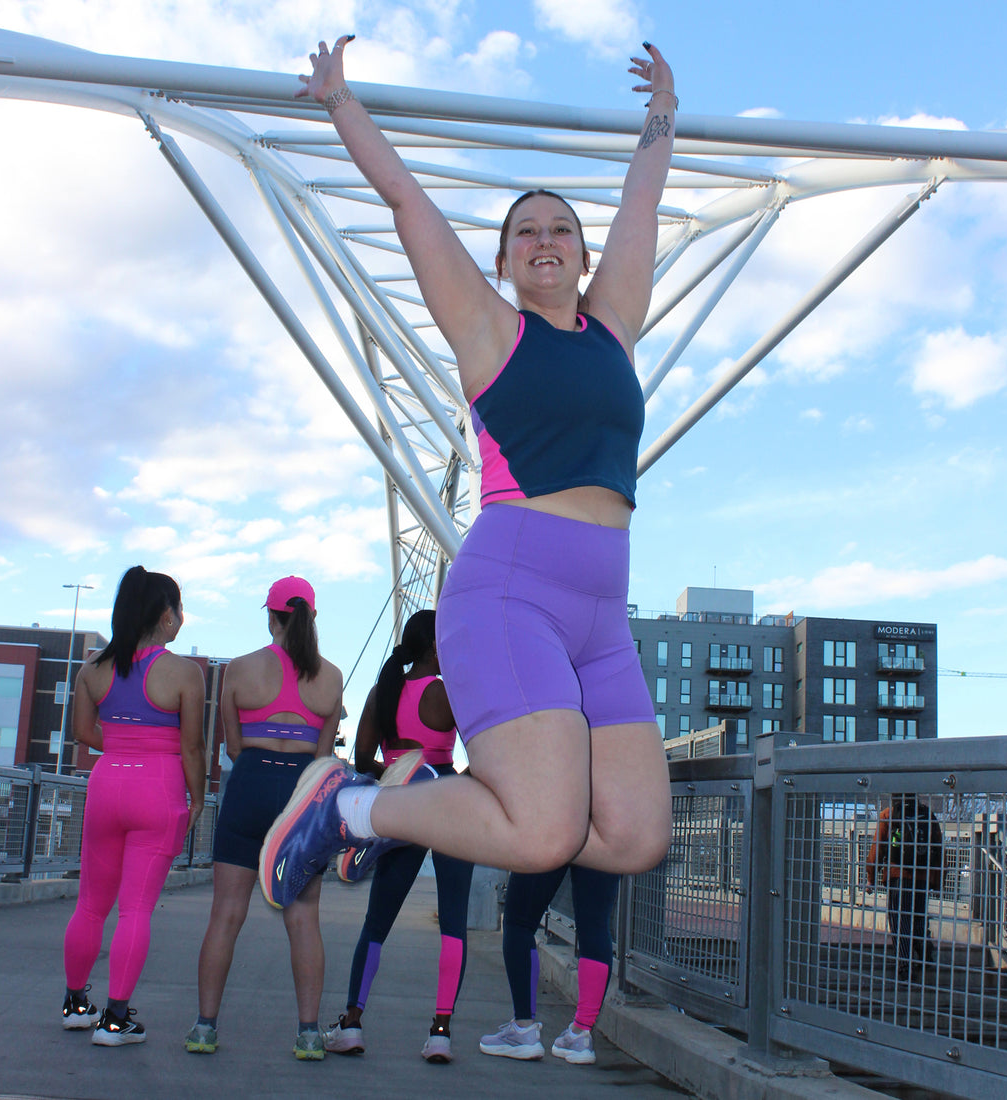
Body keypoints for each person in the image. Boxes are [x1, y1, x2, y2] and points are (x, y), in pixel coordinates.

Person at [260, 35, 676, 907]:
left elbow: (642, 204)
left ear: (584, 254)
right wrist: (341, 103)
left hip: (602, 610)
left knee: (636, 838)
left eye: (562, 228)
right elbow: (409, 204)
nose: (545, 240)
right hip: (512, 589)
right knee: (543, 831)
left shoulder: (613, 330)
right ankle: (356, 808)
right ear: (504, 261)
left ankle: (404, 802)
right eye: (525, 232)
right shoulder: (493, 334)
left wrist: (661, 118)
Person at [186, 576, 342, 1060]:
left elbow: (231, 746)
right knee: (303, 920)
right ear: (312, 618)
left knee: (226, 915)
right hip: (301, 793)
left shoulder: (239, 669)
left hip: (250, 783)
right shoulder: (332, 677)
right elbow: (323, 756)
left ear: (271, 616)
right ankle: (310, 1034)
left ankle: (205, 1028)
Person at [62, 566, 205, 1046]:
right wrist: (198, 798)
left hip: (107, 785)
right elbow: (192, 749)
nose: (181, 619)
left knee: (90, 904)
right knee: (135, 909)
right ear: (167, 616)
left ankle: (76, 1003)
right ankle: (116, 1019)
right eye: (179, 610)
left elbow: (84, 733)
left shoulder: (92, 669)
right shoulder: (185, 672)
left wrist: (125, 744)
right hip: (158, 788)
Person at [323, 609, 473, 1064]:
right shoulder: (448, 693)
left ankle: (351, 1023)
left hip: (399, 806)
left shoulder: (383, 691)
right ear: (434, 647)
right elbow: (483, 754)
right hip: (447, 804)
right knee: (454, 923)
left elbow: (362, 757)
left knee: (377, 921)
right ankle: (441, 1032)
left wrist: (397, 772)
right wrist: (450, 777)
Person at [480, 866, 620, 1065]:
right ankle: (581, 1033)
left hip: (553, 836)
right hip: (603, 838)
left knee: (519, 922)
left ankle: (523, 1029)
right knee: (596, 925)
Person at [865, 794, 944, 981]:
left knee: (900, 919)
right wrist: (938, 881)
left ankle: (904, 965)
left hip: (897, 875)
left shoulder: (889, 815)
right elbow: (939, 848)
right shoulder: (927, 816)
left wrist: (871, 877)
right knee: (918, 917)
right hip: (922, 876)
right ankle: (924, 951)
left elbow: (877, 849)